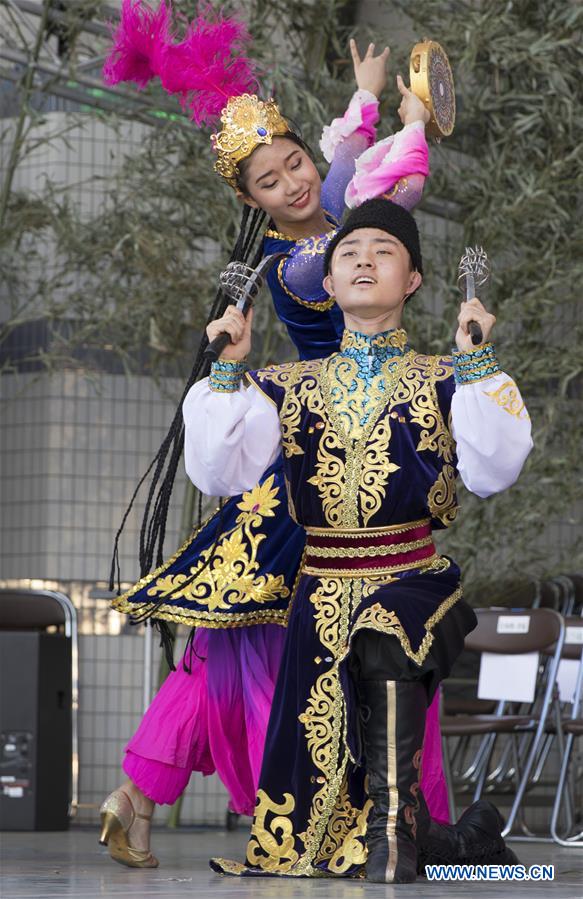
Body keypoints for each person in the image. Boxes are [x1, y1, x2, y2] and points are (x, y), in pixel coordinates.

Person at [99, 1, 441, 869]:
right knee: (332, 635)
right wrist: (389, 118)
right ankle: (352, 817)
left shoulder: (330, 233)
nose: (291, 183)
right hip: (322, 470)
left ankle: (138, 793)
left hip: (327, 455)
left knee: (224, 645)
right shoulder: (304, 262)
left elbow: (353, 188)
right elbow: (364, 193)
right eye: (269, 182)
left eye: (293, 164)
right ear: (250, 203)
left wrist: (367, 113)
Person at [182, 197, 533, 882]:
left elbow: (496, 467)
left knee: (383, 637)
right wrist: (225, 364)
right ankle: (454, 844)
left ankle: (397, 838)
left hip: (413, 578)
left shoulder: (443, 376)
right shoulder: (282, 384)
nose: (363, 260)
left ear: (412, 282)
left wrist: (476, 358)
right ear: (329, 282)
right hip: (317, 590)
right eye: (348, 253)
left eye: (383, 251)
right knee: (315, 751)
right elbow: (214, 469)